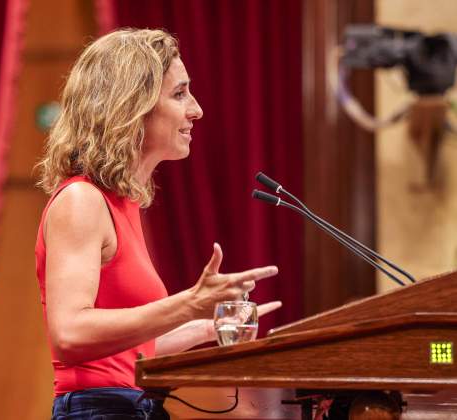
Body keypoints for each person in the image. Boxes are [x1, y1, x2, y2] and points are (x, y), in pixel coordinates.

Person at [35, 28, 281, 419]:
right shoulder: (81, 201)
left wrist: (204, 325)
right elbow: (70, 335)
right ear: (132, 106)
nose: (196, 109)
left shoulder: (121, 204)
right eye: (179, 94)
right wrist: (188, 304)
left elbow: (120, 354)